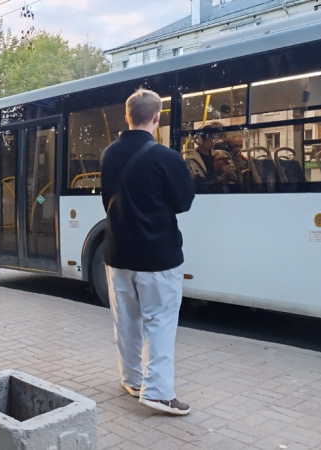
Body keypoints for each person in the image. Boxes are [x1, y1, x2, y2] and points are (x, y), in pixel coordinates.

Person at [100, 88, 196, 415]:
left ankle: (133, 380)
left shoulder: (109, 154)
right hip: (158, 255)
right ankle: (158, 392)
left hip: (117, 251)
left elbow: (107, 200)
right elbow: (183, 202)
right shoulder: (167, 157)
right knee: (160, 321)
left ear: (127, 116)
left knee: (126, 320)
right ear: (157, 117)